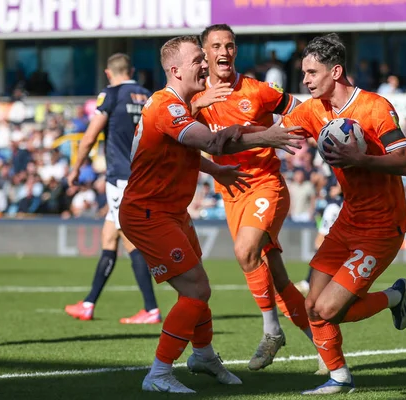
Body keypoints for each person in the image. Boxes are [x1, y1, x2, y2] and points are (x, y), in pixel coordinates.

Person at [118, 35, 303, 394]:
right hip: (148, 213)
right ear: (175, 70)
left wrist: (215, 171)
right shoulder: (167, 106)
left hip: (171, 212)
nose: (205, 65)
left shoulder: (181, 106)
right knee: (197, 290)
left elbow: (183, 151)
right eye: (196, 61)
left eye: (204, 60)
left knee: (199, 288)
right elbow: (212, 142)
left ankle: (202, 355)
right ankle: (158, 372)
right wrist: (266, 136)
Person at [281, 33, 406, 395]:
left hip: (383, 226)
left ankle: (394, 298)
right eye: (303, 73)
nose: (305, 80)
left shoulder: (375, 107)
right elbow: (276, 134)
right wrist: (223, 135)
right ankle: (339, 377)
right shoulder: (312, 110)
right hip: (347, 221)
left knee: (327, 309)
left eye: (312, 72)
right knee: (313, 305)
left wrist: (362, 159)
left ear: (335, 71)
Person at [192, 24, 323, 372]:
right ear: (204, 53)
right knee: (278, 280)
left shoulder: (258, 90)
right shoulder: (194, 99)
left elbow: (301, 110)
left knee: (244, 251)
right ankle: (327, 352)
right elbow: (180, 140)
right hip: (231, 192)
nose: (224, 51)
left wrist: (308, 131)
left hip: (266, 184)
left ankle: (271, 331)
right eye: (216, 45)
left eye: (230, 45)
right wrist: (196, 108)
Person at [64, 53, 161, 324]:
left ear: (109, 73)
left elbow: (91, 135)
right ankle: (88, 303)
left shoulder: (111, 95)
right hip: (143, 175)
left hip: (121, 177)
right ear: (132, 70)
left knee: (128, 237)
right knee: (109, 236)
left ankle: (151, 309)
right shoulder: (147, 96)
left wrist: (76, 168)